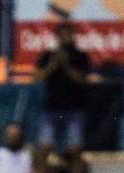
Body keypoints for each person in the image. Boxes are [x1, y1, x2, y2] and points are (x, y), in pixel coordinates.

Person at [35, 22, 91, 153]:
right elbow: (38, 78)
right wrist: (53, 65)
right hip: (51, 107)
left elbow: (82, 79)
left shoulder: (80, 56)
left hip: (74, 108)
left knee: (76, 148)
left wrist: (66, 65)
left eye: (69, 35)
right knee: (45, 147)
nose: (66, 38)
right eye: (63, 35)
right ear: (57, 37)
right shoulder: (48, 55)